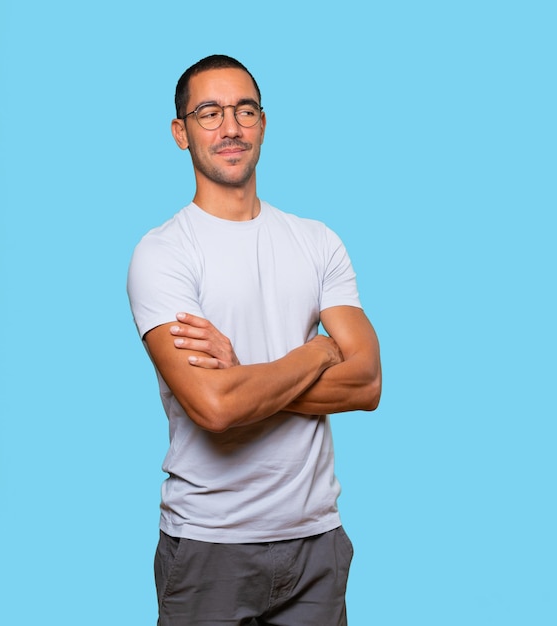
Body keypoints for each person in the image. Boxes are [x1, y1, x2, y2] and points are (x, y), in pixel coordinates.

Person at [127, 54, 382, 626]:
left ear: (263, 124)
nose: (230, 127)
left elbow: (367, 382)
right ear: (180, 133)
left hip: (317, 541)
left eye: (245, 110)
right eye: (209, 113)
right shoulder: (163, 254)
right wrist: (316, 352)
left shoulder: (318, 242)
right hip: (209, 546)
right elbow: (214, 407)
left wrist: (245, 375)